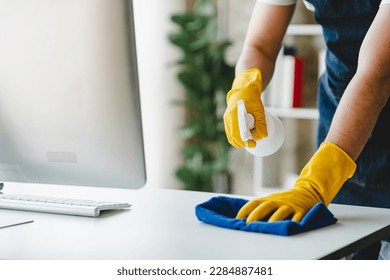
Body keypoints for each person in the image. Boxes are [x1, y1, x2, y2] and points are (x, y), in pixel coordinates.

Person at [223, 0, 390, 259]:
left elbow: (377, 74)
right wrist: (245, 86)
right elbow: (259, 46)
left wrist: (315, 185)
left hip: (354, 123)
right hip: (340, 125)